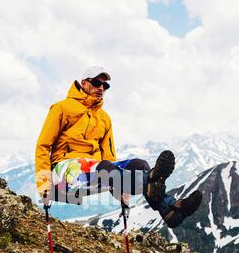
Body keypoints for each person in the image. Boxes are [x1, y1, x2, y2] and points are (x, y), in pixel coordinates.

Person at [35, 66, 202, 227]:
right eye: (96, 83)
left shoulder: (104, 118)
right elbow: (43, 146)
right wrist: (44, 185)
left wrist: (120, 190)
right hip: (64, 171)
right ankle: (163, 197)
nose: (101, 88)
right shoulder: (62, 108)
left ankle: (169, 211)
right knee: (114, 170)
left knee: (140, 165)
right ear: (84, 83)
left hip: (94, 170)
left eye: (105, 85)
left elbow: (108, 156)